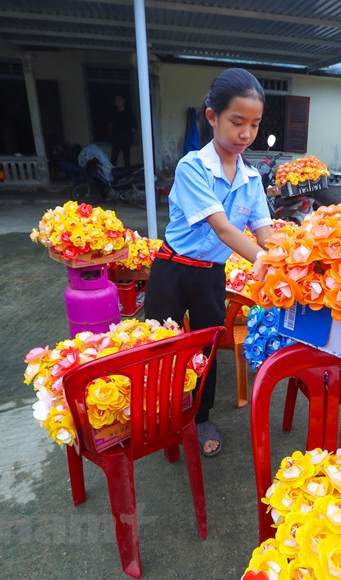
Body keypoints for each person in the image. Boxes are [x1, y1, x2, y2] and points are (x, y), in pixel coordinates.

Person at [144, 68, 273, 457]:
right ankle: (161, 418)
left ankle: (200, 418)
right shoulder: (192, 168)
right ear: (212, 116)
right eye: (237, 122)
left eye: (254, 124)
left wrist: (291, 257)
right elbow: (224, 230)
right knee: (160, 347)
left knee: (207, 349)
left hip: (210, 277)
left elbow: (265, 231)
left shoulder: (252, 178)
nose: (246, 133)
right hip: (173, 270)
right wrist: (272, 262)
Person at [109, 96, 136, 168]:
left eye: (119, 100)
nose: (118, 102)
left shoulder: (129, 113)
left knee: (126, 158)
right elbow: (111, 125)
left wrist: (130, 133)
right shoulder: (114, 113)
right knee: (113, 157)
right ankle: (111, 175)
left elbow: (134, 126)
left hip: (126, 139)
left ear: (123, 101)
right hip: (116, 139)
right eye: (116, 100)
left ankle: (128, 176)